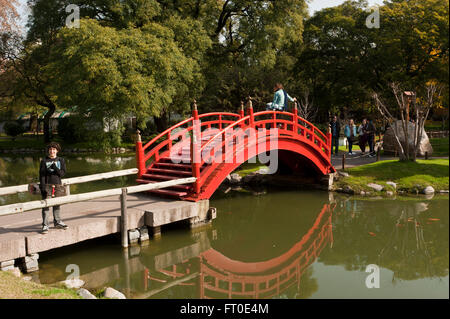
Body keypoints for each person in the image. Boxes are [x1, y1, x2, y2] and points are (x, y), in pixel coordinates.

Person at [39, 142, 68, 234]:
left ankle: (58, 222)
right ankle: (45, 225)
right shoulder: (44, 161)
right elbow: (42, 175)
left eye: (54, 149)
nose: (52, 151)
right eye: (50, 149)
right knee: (46, 206)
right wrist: (43, 187)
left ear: (57, 151)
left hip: (57, 186)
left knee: (57, 205)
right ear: (48, 151)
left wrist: (55, 167)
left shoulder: (61, 160)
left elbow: (62, 174)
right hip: (47, 186)